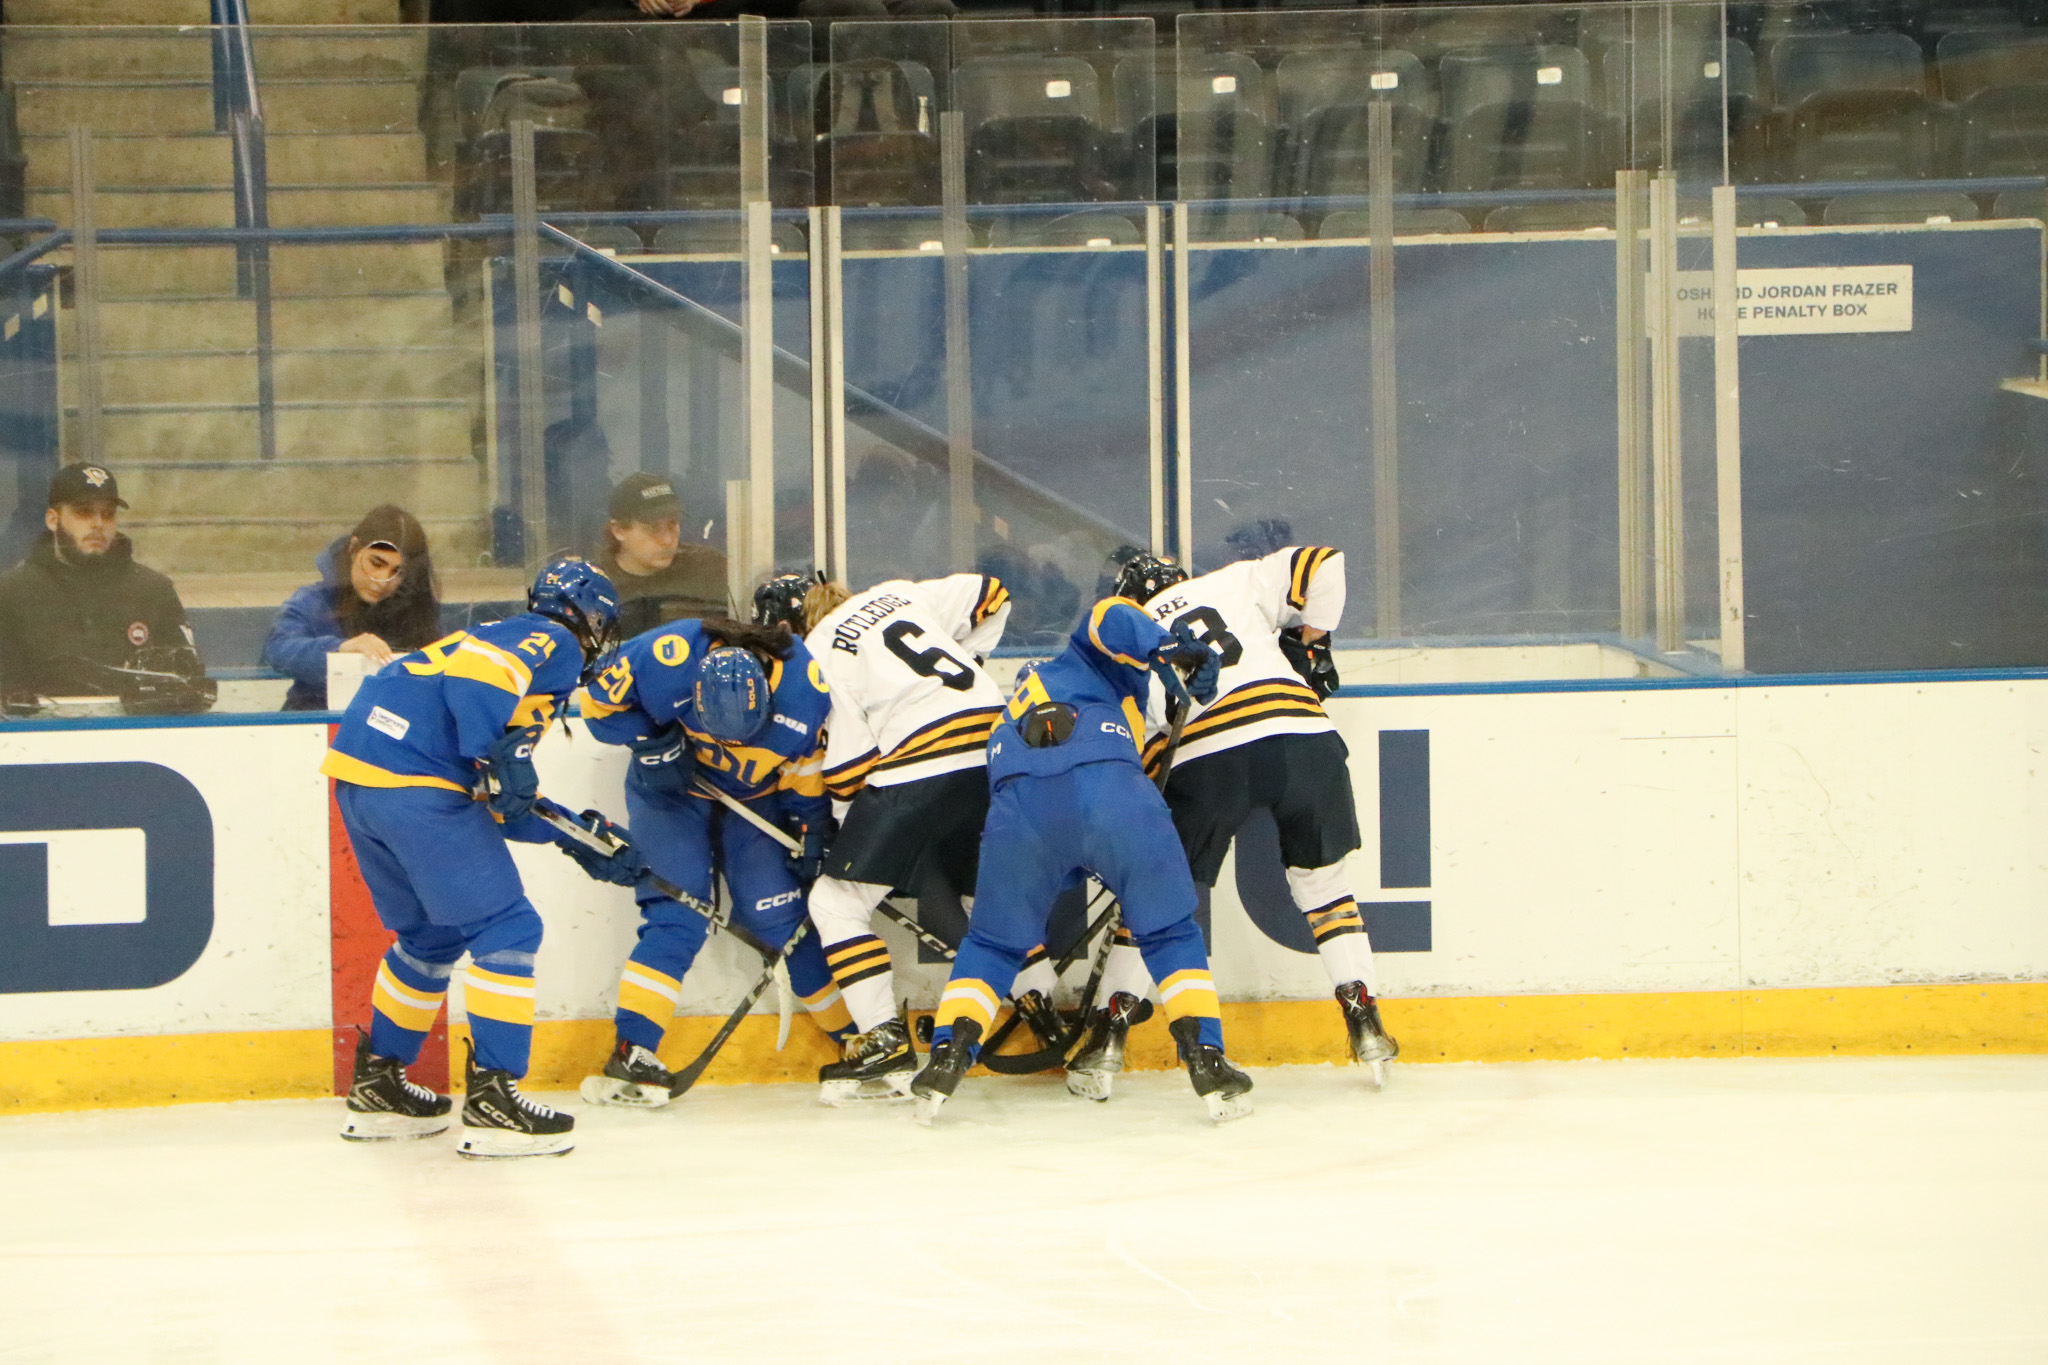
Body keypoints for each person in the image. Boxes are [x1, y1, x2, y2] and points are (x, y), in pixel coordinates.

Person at [324, 556, 645, 1159]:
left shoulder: (498, 649)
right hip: (416, 784)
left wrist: (580, 839)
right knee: (509, 927)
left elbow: (503, 802)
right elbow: (478, 695)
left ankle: (379, 1087)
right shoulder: (551, 640)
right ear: (590, 619)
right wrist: (500, 762)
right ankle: (496, 1099)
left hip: (364, 782)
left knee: (429, 939)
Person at [1066, 548, 1398, 1101]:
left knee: (1158, 902)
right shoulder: (1236, 580)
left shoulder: (1125, 643)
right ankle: (1365, 1022)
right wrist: (1310, 643)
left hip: (1206, 755)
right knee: (1325, 888)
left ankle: (1107, 1039)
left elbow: (1134, 746)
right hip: (1303, 736)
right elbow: (1325, 561)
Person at [910, 592, 1254, 1124]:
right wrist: (1162, 645)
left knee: (993, 945)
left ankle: (947, 1057)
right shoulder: (1085, 660)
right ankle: (1206, 1059)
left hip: (1019, 805)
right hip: (1106, 787)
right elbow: (1107, 616)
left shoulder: (1025, 696)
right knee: (1168, 932)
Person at [753, 569, 1059, 1104]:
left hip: (920, 762)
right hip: (996, 741)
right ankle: (1044, 1007)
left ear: (789, 627)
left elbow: (849, 771)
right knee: (985, 889)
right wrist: (973, 662)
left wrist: (847, 840)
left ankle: (883, 1040)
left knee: (837, 901)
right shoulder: (898, 593)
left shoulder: (818, 651)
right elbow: (995, 593)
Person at [575, 608, 854, 1108]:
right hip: (670, 795)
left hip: (756, 802)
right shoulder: (668, 653)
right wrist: (653, 741)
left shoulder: (806, 687)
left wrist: (813, 836)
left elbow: (807, 778)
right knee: (676, 917)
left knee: (781, 922)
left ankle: (855, 1044)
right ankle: (633, 1050)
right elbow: (595, 707)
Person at [0, 463, 207, 706]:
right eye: (84, 512)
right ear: (53, 519)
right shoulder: (12, 594)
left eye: (107, 514)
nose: (98, 523)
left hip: (137, 736)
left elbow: (190, 684)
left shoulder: (153, 590)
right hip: (41, 737)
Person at [263, 505, 442, 712]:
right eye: (376, 563)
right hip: (315, 722)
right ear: (353, 548)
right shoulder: (314, 600)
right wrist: (340, 649)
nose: (383, 581)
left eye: (398, 572)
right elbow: (277, 648)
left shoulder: (418, 612)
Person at [594, 472, 728, 639]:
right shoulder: (594, 586)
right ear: (619, 530)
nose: (667, 539)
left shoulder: (709, 568)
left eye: (672, 524)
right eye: (652, 528)